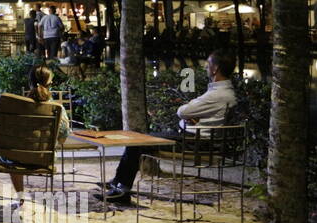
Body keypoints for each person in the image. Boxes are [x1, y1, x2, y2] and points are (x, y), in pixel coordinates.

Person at [98, 49, 239, 204]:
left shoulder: (216, 94)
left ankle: (121, 189)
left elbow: (182, 111)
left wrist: (189, 115)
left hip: (196, 142)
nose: (205, 66)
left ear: (215, 68)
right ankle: (118, 183)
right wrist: (191, 117)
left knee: (138, 141)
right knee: (140, 139)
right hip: (201, 139)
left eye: (208, 63)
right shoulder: (227, 92)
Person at [0, 66, 69, 208]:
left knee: (11, 150)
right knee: (18, 151)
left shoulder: (14, 105)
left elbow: (2, 134)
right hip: (43, 159)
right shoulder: (58, 109)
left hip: (13, 158)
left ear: (29, 83)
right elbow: (62, 139)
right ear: (50, 84)